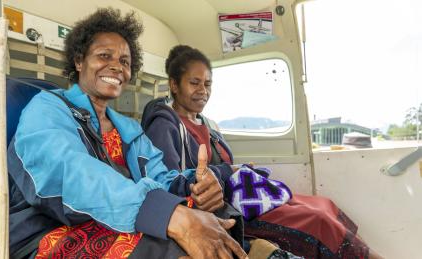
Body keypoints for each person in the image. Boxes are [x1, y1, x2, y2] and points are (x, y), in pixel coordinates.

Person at [8, 9, 248, 259]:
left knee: (219, 217)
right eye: (104, 56)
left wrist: (196, 185)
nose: (116, 66)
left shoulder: (129, 128)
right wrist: (166, 214)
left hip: (116, 219)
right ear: (79, 61)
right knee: (174, 245)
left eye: (125, 61)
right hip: (48, 230)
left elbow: (161, 179)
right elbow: (68, 172)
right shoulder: (47, 107)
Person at [141, 44, 384, 259]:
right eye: (194, 83)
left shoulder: (208, 124)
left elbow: (224, 167)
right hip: (225, 209)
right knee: (318, 222)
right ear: (174, 85)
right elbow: (170, 183)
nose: (203, 90)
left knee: (322, 205)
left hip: (242, 195)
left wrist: (240, 170)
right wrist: (228, 170)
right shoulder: (164, 125)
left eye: (207, 84)